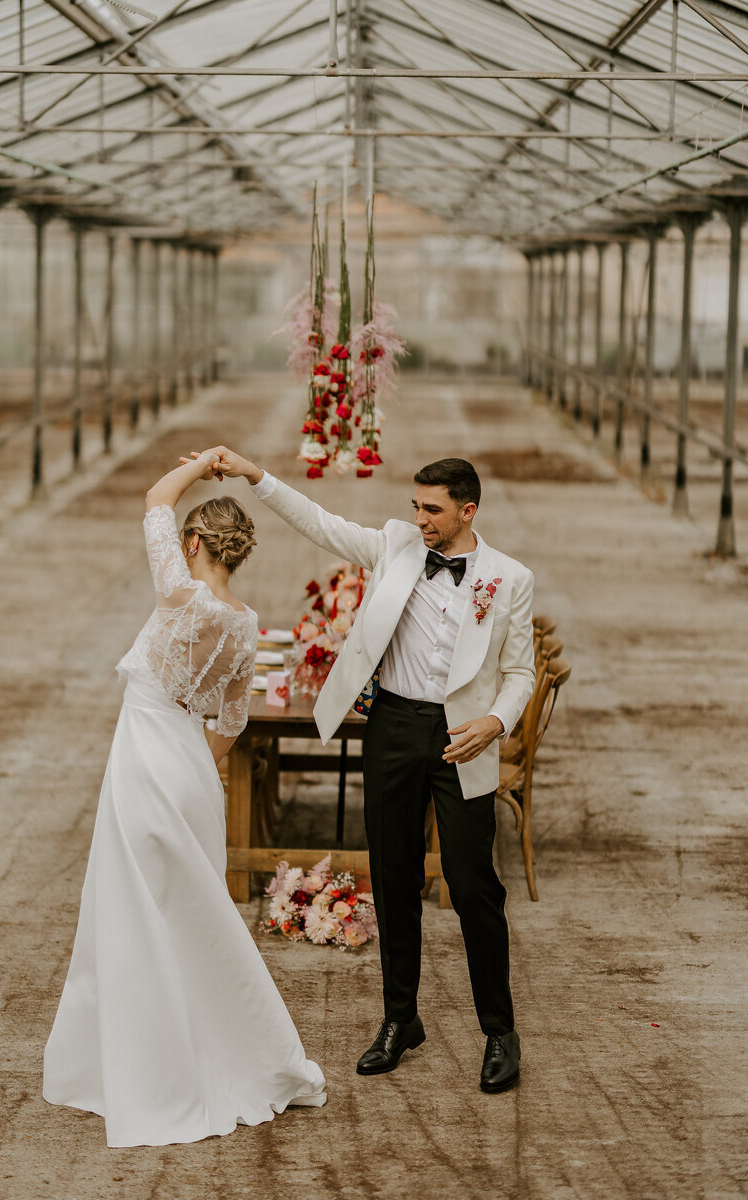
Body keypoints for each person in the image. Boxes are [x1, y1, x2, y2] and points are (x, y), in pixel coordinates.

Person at [181, 447, 535, 1095]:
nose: (420, 518)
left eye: (433, 509)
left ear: (467, 510)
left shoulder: (509, 579)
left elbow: (521, 673)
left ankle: (500, 1032)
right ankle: (401, 1019)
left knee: (472, 883)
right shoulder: (397, 546)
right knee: (394, 878)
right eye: (416, 507)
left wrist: (497, 721)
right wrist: (255, 475)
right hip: (394, 728)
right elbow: (317, 521)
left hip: (464, 738)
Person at [43, 451, 326, 1148]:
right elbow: (230, 722)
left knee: (133, 905)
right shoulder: (246, 622)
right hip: (189, 766)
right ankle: (231, 1049)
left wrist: (203, 462)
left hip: (142, 757)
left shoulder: (178, 592)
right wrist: (192, 771)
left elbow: (153, 496)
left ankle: (147, 1067)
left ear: (194, 543)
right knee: (191, 914)